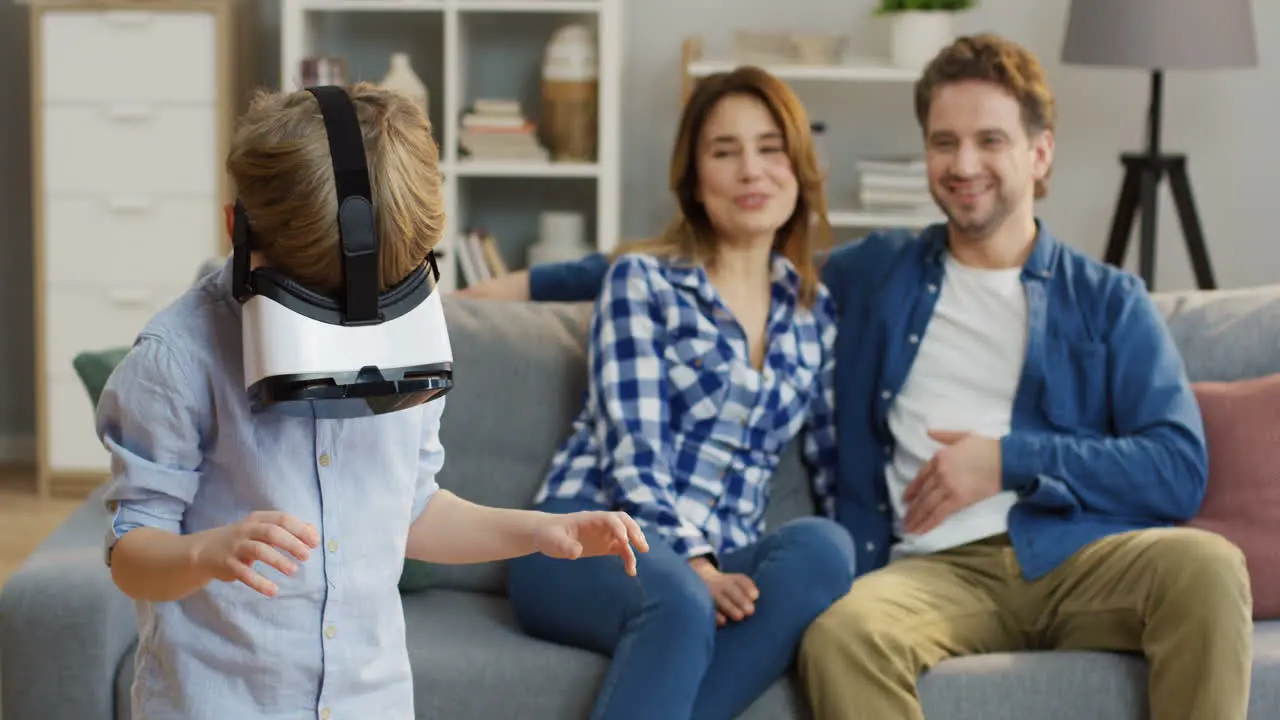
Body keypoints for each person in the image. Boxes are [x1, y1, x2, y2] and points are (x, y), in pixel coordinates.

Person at [466, 34, 1254, 720]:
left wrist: (1009, 458)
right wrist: (484, 295)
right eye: (944, 142)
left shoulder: (1106, 300)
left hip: (1073, 556)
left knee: (1207, 566)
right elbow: (694, 258)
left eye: (989, 140)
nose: (964, 163)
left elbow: (1179, 469)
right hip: (922, 571)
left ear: (1039, 152)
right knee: (837, 630)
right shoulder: (875, 274)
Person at [96, 82, 649, 720]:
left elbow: (410, 511)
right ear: (237, 229)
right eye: (311, 304)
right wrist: (206, 552)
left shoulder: (408, 338)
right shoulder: (176, 358)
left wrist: (538, 531)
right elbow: (132, 553)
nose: (346, 334)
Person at [503, 66, 858, 720]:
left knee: (825, 549)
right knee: (677, 601)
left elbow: (835, 470)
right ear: (695, 181)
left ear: (799, 169)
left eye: (770, 148)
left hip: (720, 563)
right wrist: (694, 563)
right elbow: (632, 449)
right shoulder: (642, 282)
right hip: (586, 538)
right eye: (725, 152)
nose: (752, 170)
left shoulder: (816, 317)